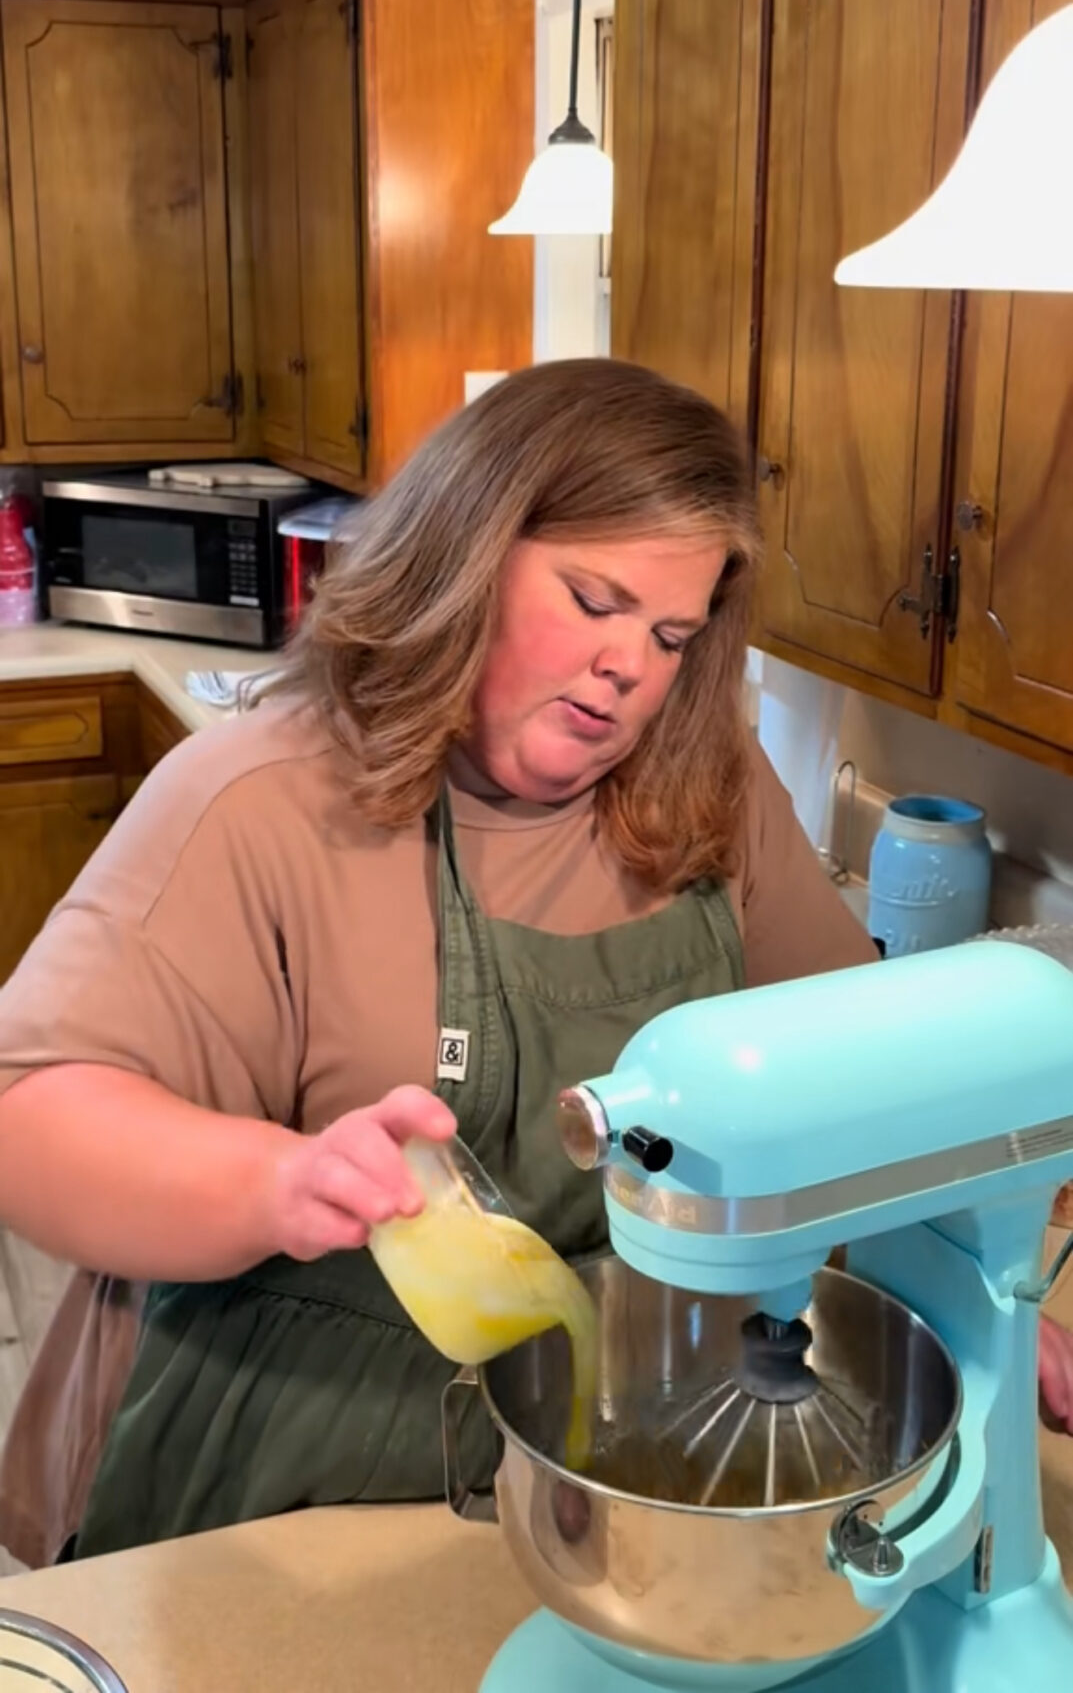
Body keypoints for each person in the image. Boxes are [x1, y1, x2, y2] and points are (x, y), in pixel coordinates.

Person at [0, 359, 1067, 1570]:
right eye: (593, 599)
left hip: (617, 1455)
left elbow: (853, 1074)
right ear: (464, 557)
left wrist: (946, 1270)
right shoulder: (258, 801)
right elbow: (29, 1122)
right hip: (293, 1468)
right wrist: (277, 1185)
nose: (631, 669)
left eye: (670, 634)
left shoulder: (709, 797)